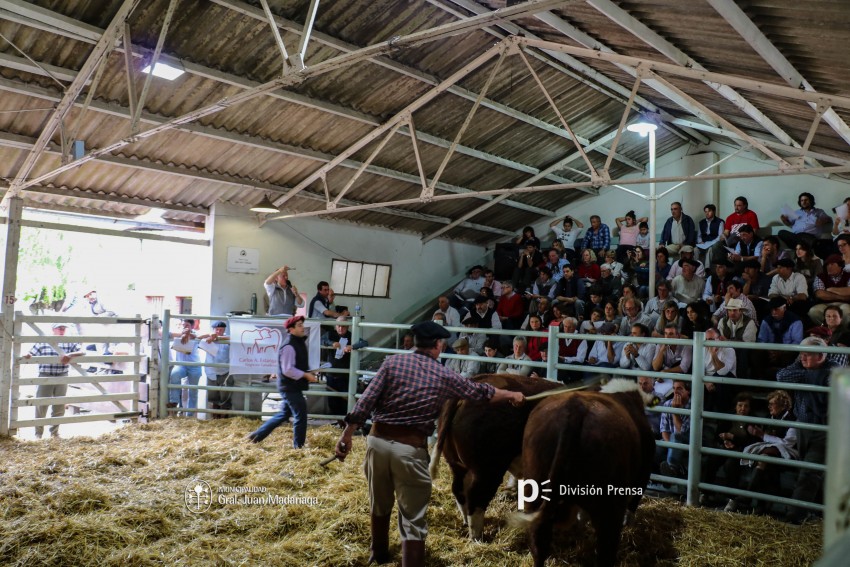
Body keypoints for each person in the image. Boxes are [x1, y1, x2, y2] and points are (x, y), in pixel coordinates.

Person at [333, 322, 525, 566]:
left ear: (414, 342)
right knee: (413, 517)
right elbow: (479, 392)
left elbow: (366, 400)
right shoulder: (443, 374)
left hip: (377, 443)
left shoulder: (392, 363)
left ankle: (378, 554)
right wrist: (512, 395)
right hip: (409, 449)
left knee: (379, 503)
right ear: (438, 345)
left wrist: (347, 434)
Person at [776, 337, 836, 524]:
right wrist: (806, 370)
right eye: (800, 353)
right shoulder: (803, 368)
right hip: (803, 427)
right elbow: (781, 376)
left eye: (807, 354)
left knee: (810, 472)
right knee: (813, 471)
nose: (802, 357)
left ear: (821, 355)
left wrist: (805, 374)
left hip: (825, 429)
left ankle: (794, 517)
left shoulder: (833, 370)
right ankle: (818, 514)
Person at [247, 315, 319, 447]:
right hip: (290, 387)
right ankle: (299, 447)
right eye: (299, 325)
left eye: (302, 324)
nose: (303, 327)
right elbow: (288, 370)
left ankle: (256, 435)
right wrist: (305, 375)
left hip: (291, 386)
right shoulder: (289, 346)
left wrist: (308, 373)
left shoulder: (297, 343)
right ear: (291, 329)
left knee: (284, 414)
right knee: (301, 415)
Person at [723, 390, 798, 514]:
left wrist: (762, 435)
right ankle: (760, 505)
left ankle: (748, 497)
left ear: (783, 405)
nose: (769, 407)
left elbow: (787, 443)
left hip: (787, 453)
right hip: (769, 454)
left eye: (772, 404)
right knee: (766, 464)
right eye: (768, 404)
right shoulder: (769, 417)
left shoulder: (792, 420)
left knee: (765, 458)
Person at [22, 322, 84, 438]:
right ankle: (38, 434)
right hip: (45, 375)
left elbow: (82, 351)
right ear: (53, 329)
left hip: (62, 375)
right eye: (59, 328)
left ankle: (54, 433)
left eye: (63, 328)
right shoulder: (43, 341)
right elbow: (31, 353)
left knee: (59, 406)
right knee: (41, 405)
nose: (62, 330)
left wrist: (70, 354)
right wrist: (28, 355)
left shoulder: (69, 341)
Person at [168, 319, 202, 413]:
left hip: (194, 365)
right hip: (181, 364)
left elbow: (197, 336)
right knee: (174, 375)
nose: (185, 327)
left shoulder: (196, 333)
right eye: (183, 325)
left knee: (193, 390)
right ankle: (174, 401)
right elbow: (167, 334)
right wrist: (182, 334)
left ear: (192, 326)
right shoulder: (178, 333)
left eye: (187, 325)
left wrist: (187, 334)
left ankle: (190, 415)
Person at [659, 380, 691, 478]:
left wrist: (675, 412)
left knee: (676, 436)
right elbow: (664, 430)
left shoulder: (694, 406)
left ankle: (671, 473)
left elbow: (682, 432)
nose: (676, 392)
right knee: (654, 448)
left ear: (688, 391)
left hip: (686, 442)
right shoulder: (667, 404)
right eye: (674, 388)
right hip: (670, 442)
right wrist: (671, 446)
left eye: (680, 389)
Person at [323, 317, 352, 424]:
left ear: (347, 326)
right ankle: (340, 422)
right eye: (338, 325)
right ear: (335, 326)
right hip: (331, 373)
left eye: (343, 326)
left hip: (345, 374)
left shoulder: (351, 336)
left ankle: (345, 423)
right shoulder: (330, 334)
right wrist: (331, 343)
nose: (341, 328)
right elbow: (322, 340)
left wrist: (352, 346)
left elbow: (364, 343)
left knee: (344, 401)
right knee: (332, 402)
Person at [201, 321, 232, 417]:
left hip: (224, 371)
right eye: (216, 329)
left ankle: (225, 418)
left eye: (221, 329)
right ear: (213, 330)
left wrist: (218, 337)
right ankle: (215, 418)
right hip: (211, 372)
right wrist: (210, 335)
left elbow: (234, 338)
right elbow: (197, 337)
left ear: (224, 330)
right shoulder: (207, 338)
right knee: (213, 396)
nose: (218, 331)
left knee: (225, 396)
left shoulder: (227, 339)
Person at [809, 254, 850, 323]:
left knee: (846, 311)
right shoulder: (820, 276)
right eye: (827, 265)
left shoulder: (848, 276)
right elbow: (820, 294)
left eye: (832, 264)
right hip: (825, 304)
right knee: (813, 311)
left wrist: (831, 289)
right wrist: (842, 297)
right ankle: (826, 330)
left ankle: (842, 331)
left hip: (844, 304)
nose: (829, 267)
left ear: (840, 266)